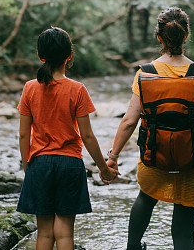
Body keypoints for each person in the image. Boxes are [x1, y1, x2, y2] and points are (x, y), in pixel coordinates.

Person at [106, 7, 194, 250]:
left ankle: (133, 246)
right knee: (184, 236)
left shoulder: (144, 74)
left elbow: (129, 121)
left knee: (146, 198)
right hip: (192, 161)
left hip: (154, 155)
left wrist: (113, 157)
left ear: (159, 37)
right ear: (186, 36)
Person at [17, 26, 118, 250]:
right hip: (70, 164)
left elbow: (24, 134)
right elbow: (87, 136)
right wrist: (103, 169)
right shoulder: (77, 90)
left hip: (39, 164)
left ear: (40, 56)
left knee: (44, 233)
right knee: (64, 235)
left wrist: (27, 167)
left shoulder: (30, 88)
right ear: (69, 55)